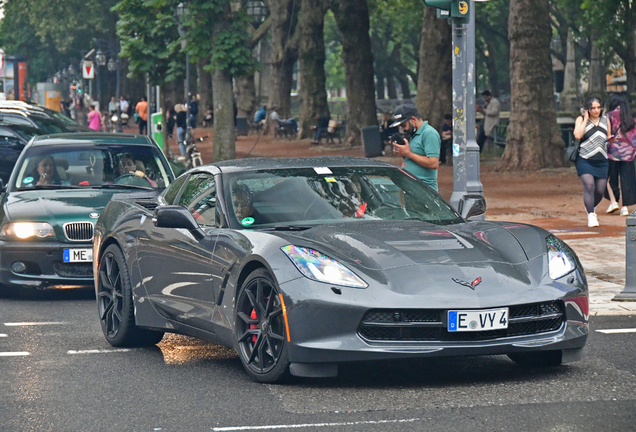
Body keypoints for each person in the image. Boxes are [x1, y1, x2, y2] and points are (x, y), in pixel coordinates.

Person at [573, 96, 611, 227]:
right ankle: (591, 215)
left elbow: (608, 137)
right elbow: (577, 135)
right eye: (593, 108)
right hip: (585, 159)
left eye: (598, 107)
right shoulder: (581, 119)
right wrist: (586, 119)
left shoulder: (606, 120)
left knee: (600, 190)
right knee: (589, 186)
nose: (596, 110)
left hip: (602, 160)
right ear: (587, 109)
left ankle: (589, 206)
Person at [390, 103, 441, 192]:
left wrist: (408, 154)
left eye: (403, 125)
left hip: (425, 190)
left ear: (413, 120)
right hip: (410, 188)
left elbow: (433, 163)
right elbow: (412, 159)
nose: (402, 129)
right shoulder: (412, 134)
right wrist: (402, 153)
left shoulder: (429, 134)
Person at [604, 94, 636, 217]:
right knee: (627, 179)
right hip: (629, 154)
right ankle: (625, 207)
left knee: (609, 178)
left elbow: (607, 134)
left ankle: (613, 201)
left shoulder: (609, 116)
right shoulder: (631, 118)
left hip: (612, 153)